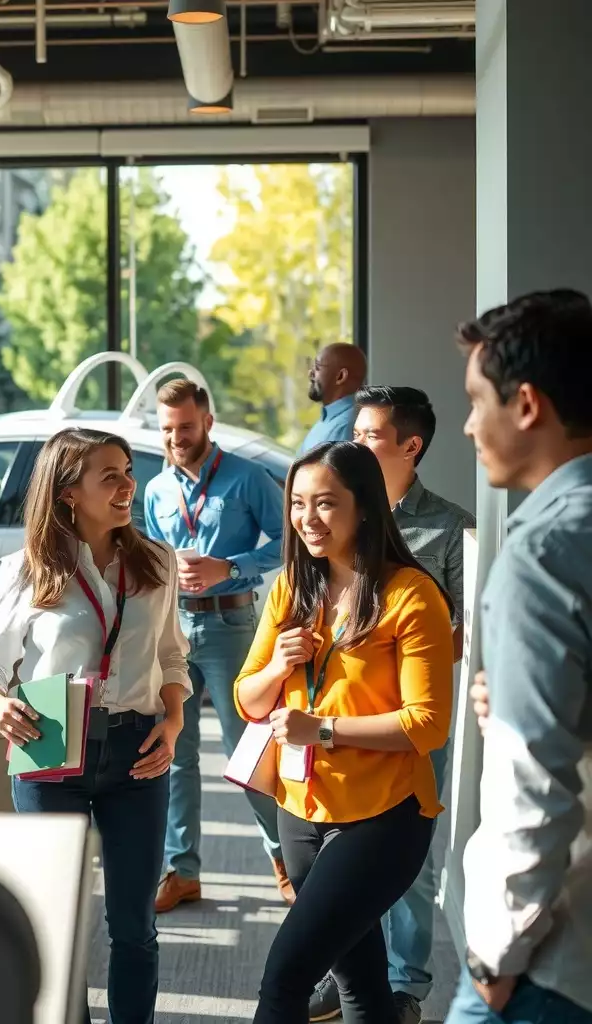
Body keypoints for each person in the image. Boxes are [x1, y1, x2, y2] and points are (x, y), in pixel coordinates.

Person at [0, 427, 191, 1024]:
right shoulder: (28, 568)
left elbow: (171, 656)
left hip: (137, 747)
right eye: (109, 476)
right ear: (68, 493)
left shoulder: (157, 562)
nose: (126, 486)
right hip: (50, 745)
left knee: (134, 925)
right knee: (58, 922)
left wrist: (173, 720)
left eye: (127, 472)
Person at [236, 440, 454, 1024]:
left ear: (365, 507)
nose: (307, 518)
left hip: (384, 815)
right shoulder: (290, 588)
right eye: (298, 503)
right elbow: (246, 697)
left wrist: (323, 729)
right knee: (358, 980)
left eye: (326, 503)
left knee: (284, 978)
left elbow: (427, 724)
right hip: (301, 808)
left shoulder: (411, 595)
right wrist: (280, 666)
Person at [444, 290, 592, 1024]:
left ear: (527, 405)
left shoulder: (543, 555)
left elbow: (535, 779)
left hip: (552, 965)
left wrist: (494, 958)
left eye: (477, 401)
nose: (469, 425)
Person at [308, 386, 475, 1023]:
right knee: (334, 843)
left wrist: (404, 650)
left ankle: (406, 986)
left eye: (371, 435)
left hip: (407, 717)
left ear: (411, 446)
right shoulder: (336, 514)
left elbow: (463, 631)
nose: (354, 443)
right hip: (332, 713)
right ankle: (352, 973)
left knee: (406, 853)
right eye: (354, 431)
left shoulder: (449, 527)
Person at [142, 378, 289, 911]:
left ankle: (285, 858)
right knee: (173, 754)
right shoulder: (156, 490)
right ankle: (181, 872)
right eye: (167, 429)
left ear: (207, 420)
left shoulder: (248, 479)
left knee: (245, 751)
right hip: (173, 629)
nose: (176, 438)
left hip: (232, 627)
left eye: (185, 426)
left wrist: (229, 566)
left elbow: (288, 543)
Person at [298, 343, 368, 455]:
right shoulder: (330, 419)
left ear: (340, 376)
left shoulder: (346, 427)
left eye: (317, 367)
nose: (310, 373)